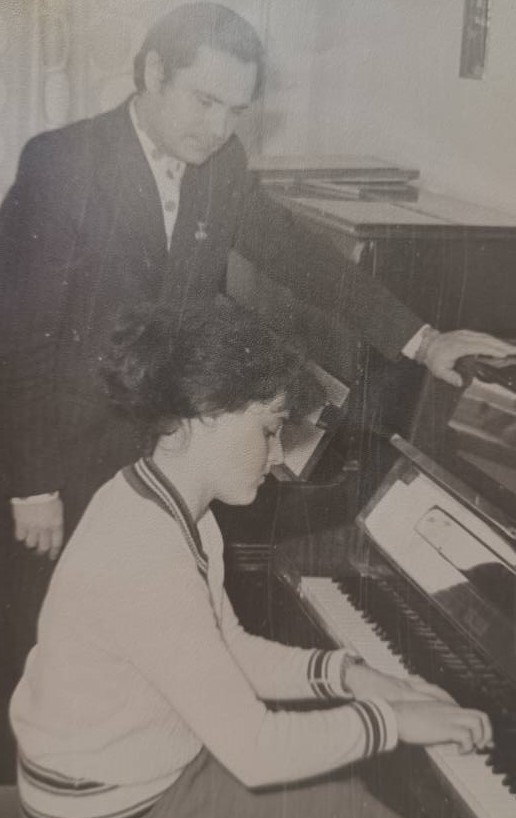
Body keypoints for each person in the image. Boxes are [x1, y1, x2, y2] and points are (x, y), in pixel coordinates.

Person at [0, 1, 513, 665]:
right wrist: (33, 484)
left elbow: (300, 257)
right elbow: (20, 340)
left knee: (127, 648)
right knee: (42, 646)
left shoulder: (221, 165)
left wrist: (426, 340)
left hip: (159, 449)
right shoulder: (63, 163)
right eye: (205, 101)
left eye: (236, 110)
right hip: (60, 454)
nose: (219, 128)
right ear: (153, 73)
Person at [9, 296, 492, 818]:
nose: (279, 456)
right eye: (269, 430)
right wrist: (393, 722)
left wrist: (354, 676)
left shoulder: (166, 503)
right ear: (207, 415)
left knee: (352, 807)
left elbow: (228, 648)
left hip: (122, 779)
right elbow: (259, 751)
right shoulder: (145, 553)